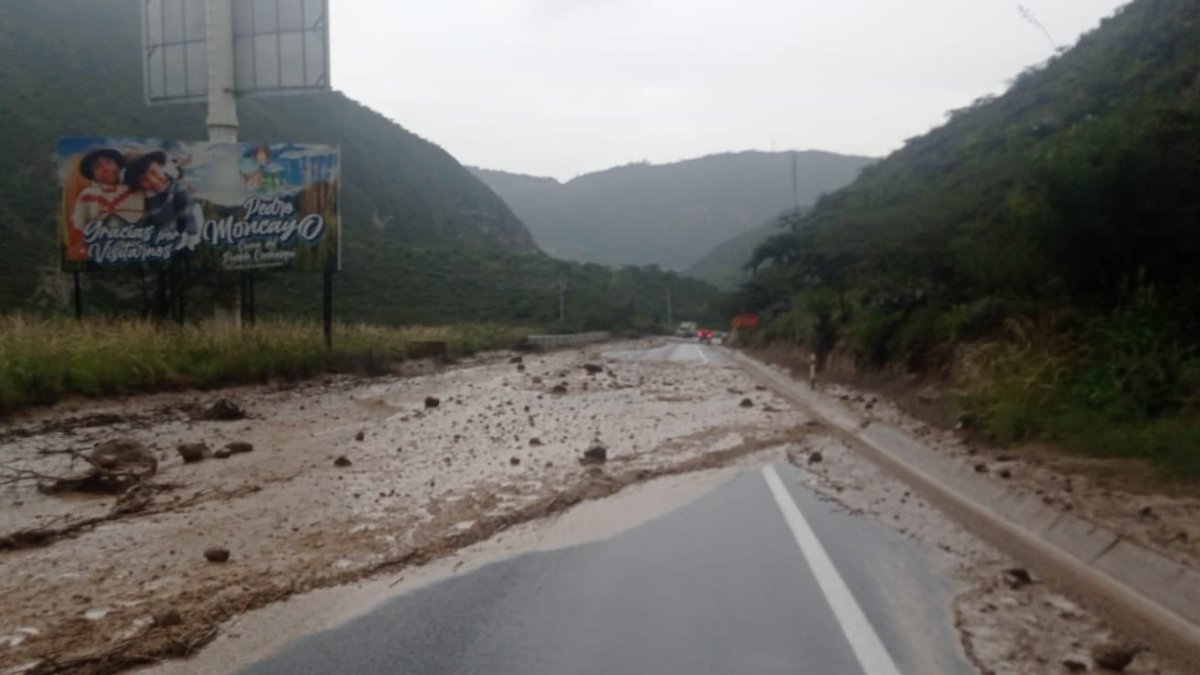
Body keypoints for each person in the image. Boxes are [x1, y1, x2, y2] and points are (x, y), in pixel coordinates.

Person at [68, 148, 144, 258]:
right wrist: (79, 248)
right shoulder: (88, 194)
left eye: (109, 162)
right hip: (101, 252)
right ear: (92, 175)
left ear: (118, 166)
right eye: (96, 167)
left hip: (135, 251)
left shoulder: (137, 190)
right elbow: (78, 224)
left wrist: (130, 157)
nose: (104, 168)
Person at [124, 151, 200, 251]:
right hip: (160, 241)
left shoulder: (177, 188)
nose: (153, 181)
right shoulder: (145, 198)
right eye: (144, 179)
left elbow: (186, 213)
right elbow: (146, 221)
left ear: (161, 167)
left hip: (182, 236)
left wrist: (189, 237)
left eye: (153, 172)